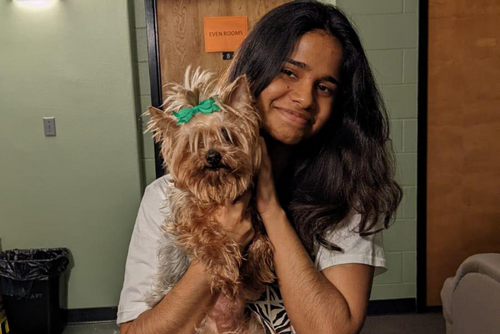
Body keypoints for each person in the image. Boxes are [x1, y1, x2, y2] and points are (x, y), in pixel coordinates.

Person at [117, 1, 402, 334]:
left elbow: (332, 330)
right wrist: (221, 245)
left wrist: (268, 206)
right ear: (255, 73)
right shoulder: (164, 198)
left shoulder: (347, 198)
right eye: (289, 72)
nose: (305, 98)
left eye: (324, 87)